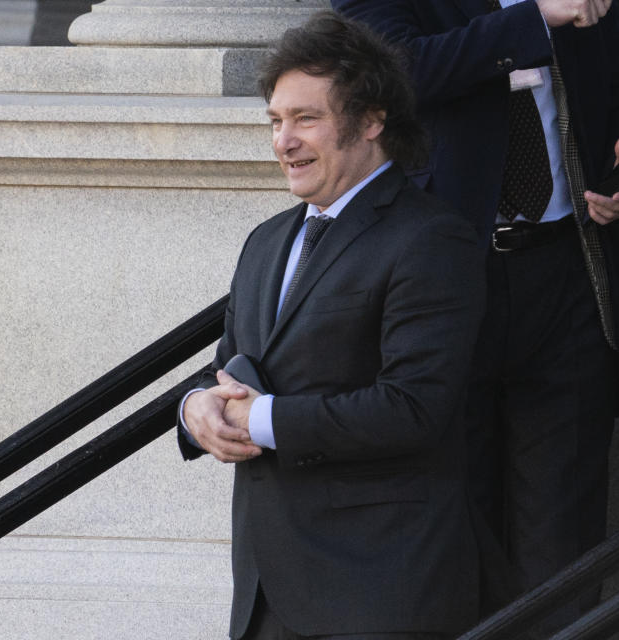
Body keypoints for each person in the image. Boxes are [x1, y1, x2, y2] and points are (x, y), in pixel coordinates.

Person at [333, 0, 619, 627]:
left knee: (564, 545)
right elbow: (393, 72)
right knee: (453, 533)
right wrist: (535, 19)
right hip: (437, 283)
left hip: (566, 274)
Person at [176, 12, 487, 640]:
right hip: (265, 597)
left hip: (376, 593)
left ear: (371, 120)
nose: (282, 141)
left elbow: (414, 407)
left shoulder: (431, 237)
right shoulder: (265, 242)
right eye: (275, 120)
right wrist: (196, 409)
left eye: (305, 119)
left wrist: (261, 419)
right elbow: (231, 369)